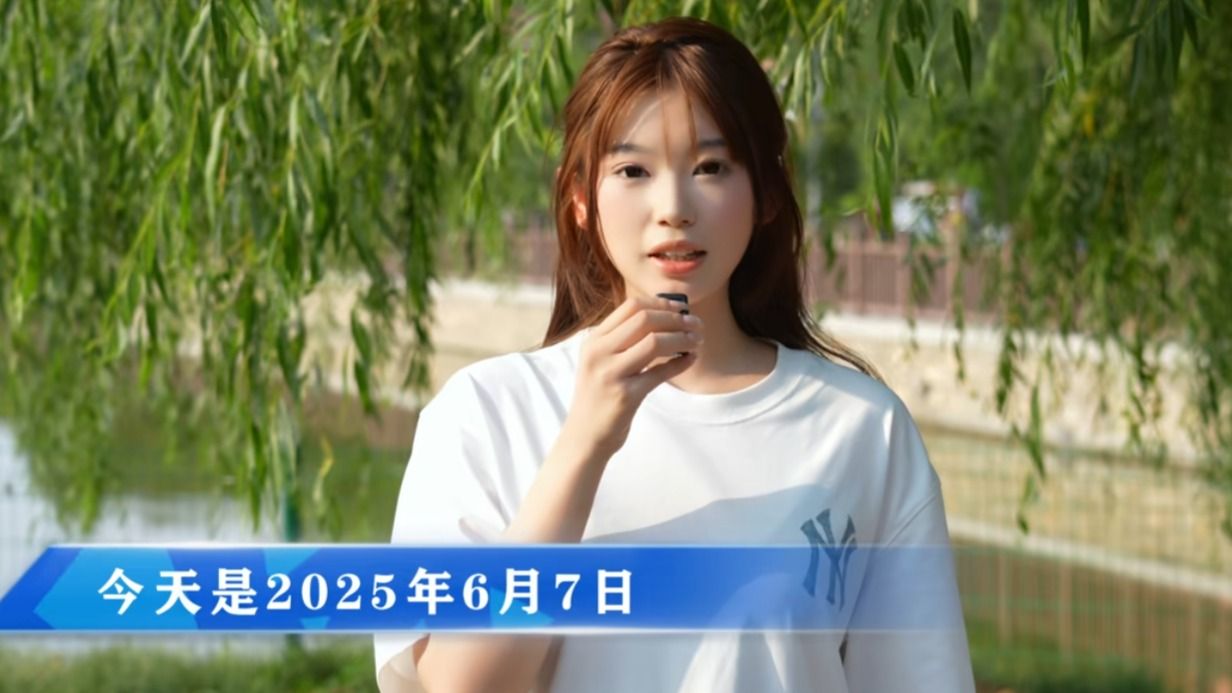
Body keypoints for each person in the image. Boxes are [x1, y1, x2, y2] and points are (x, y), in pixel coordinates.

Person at [375, 16, 975, 693]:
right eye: (633, 170)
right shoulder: (487, 414)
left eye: (710, 168)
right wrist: (584, 444)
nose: (674, 207)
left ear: (766, 192)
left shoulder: (862, 428)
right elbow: (460, 684)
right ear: (580, 198)